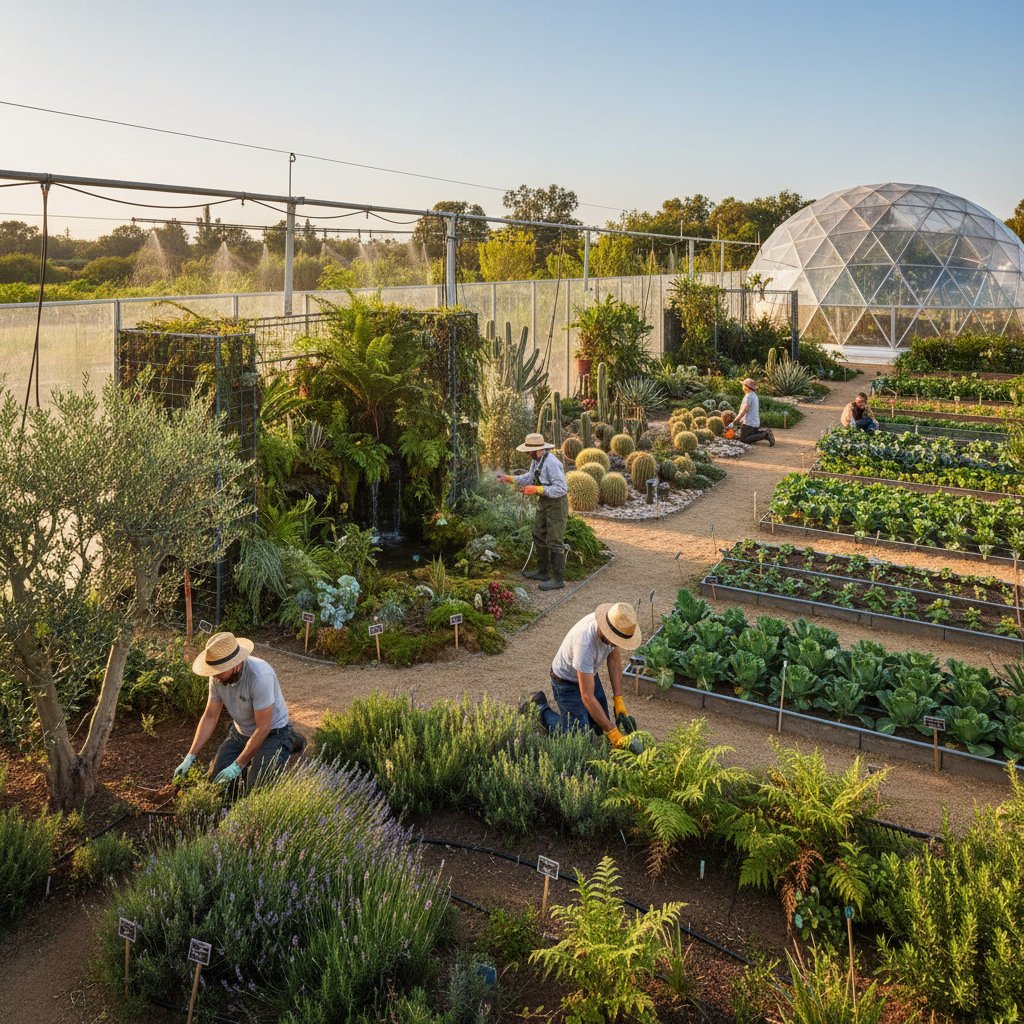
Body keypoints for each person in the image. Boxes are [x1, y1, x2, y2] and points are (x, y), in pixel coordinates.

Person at [172, 631, 294, 790]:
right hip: (240, 732)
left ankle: (289, 741)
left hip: (272, 733)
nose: (214, 676)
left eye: (219, 671)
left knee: (256, 787)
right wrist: (190, 756)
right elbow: (210, 716)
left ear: (236, 666)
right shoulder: (217, 676)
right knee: (215, 783)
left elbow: (263, 728)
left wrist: (238, 765)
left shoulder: (260, 677)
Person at [520, 601, 643, 753]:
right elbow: (587, 697)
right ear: (606, 630)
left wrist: (618, 700)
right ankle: (540, 708)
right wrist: (613, 733)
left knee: (599, 726)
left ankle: (588, 721)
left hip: (588, 674)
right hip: (566, 683)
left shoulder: (613, 624)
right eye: (615, 640)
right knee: (579, 739)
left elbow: (614, 656)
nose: (615, 644)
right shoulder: (584, 643)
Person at [497, 431, 569, 591]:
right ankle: (543, 572)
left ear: (539, 449)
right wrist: (509, 479)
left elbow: (561, 488)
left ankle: (558, 579)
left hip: (557, 503)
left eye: (530, 451)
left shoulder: (552, 463)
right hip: (544, 501)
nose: (528, 453)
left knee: (554, 539)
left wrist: (536, 489)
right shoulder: (537, 460)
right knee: (538, 533)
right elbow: (531, 476)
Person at [732, 378, 776, 446]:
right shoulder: (754, 395)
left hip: (749, 423)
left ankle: (765, 435)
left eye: (743, 385)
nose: (742, 387)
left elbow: (743, 411)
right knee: (752, 435)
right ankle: (765, 432)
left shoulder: (748, 396)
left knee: (744, 440)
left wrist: (734, 422)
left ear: (747, 387)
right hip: (755, 423)